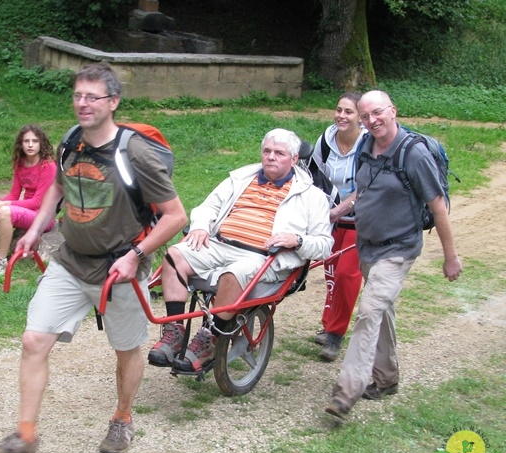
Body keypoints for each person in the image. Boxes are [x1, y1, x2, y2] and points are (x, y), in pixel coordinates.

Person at [0, 63, 187, 453]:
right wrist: (37, 229)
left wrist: (135, 257)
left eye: (92, 97)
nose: (82, 103)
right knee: (33, 340)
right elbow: (57, 187)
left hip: (119, 269)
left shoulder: (136, 152)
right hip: (70, 263)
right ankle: (24, 438)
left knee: (126, 349)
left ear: (113, 102)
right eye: (78, 95)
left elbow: (176, 215)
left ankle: (124, 418)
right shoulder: (71, 141)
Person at [147, 128, 334, 372]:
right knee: (174, 255)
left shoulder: (312, 196)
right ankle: (174, 331)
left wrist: (297, 239)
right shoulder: (240, 179)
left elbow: (324, 245)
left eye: (279, 153)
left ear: (295, 159)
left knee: (235, 272)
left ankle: (208, 339)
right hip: (220, 244)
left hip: (263, 256)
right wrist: (202, 226)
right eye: (267, 151)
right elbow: (208, 207)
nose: (271, 157)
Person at [325, 90, 462, 420]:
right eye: (366, 115)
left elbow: (438, 208)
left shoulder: (413, 154)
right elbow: (364, 189)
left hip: (398, 249)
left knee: (369, 311)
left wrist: (450, 256)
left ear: (393, 111)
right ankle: (386, 379)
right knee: (381, 311)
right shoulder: (366, 146)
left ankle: (346, 392)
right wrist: (339, 210)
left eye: (378, 113)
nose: (372, 121)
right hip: (367, 246)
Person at [310, 92, 367, 361]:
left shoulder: (369, 144)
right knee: (331, 274)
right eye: (339, 110)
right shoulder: (326, 140)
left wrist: (338, 210)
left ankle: (335, 335)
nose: (341, 116)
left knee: (347, 274)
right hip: (330, 218)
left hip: (362, 221)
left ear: (360, 117)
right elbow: (312, 175)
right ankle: (328, 324)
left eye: (349, 112)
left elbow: (368, 187)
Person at [0, 124, 56, 277]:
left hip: (43, 217)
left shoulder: (48, 166)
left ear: (41, 143)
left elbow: (37, 202)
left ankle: (1, 262)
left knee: (5, 212)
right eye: (26, 141)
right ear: (20, 144)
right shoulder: (20, 163)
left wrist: (5, 205)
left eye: (34, 141)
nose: (30, 145)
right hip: (24, 211)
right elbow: (14, 194)